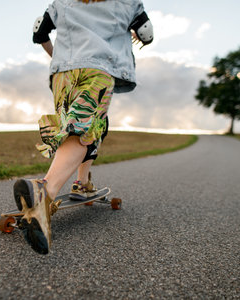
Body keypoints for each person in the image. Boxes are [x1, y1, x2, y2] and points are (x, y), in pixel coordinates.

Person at [13, 0, 153, 254]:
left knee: (84, 126)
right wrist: (133, 35)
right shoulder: (129, 2)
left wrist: (60, 56)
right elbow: (147, 33)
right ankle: (44, 191)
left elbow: (39, 33)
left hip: (62, 72)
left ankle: (82, 182)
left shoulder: (61, 2)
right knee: (84, 131)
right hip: (99, 69)